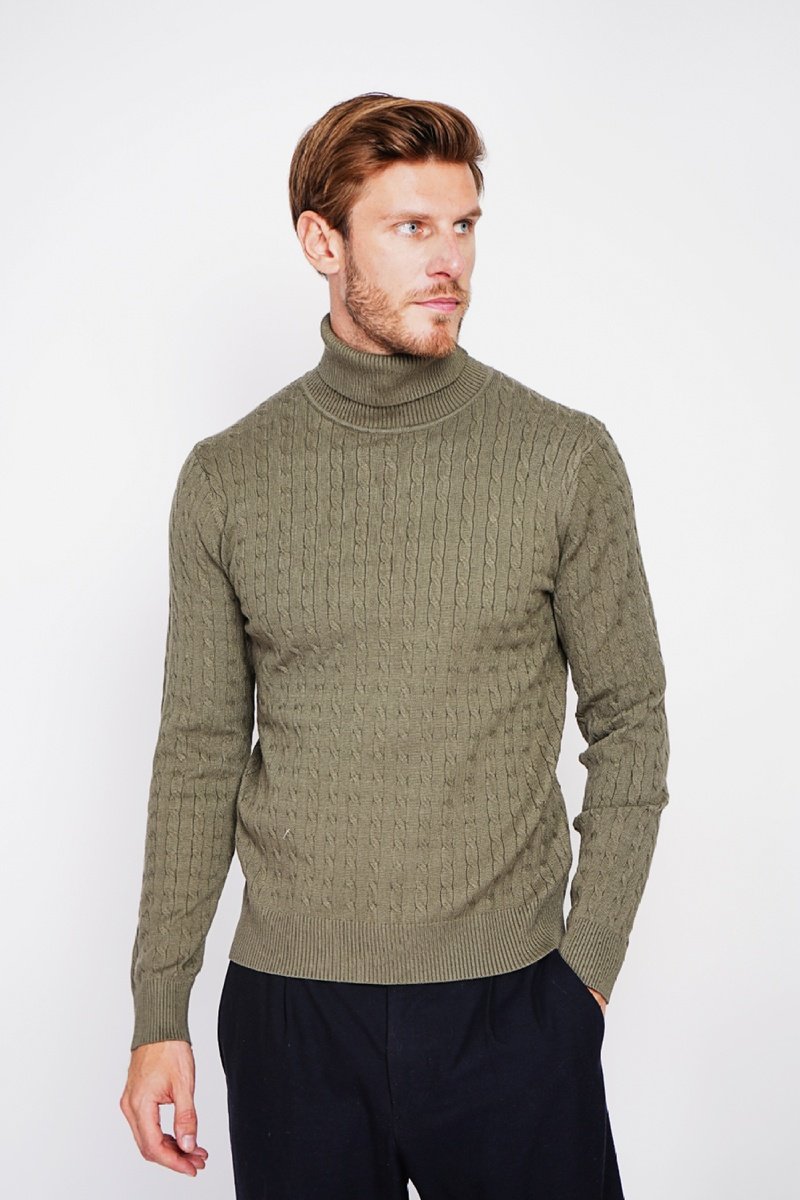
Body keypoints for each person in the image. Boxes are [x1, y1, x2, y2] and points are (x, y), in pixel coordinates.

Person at [120, 92, 670, 1198]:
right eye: (410, 227)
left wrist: (586, 973)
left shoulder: (562, 457)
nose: (447, 260)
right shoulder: (228, 478)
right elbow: (199, 751)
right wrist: (158, 1008)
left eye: (462, 225)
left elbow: (630, 720)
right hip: (291, 1021)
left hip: (514, 1006)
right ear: (322, 243)